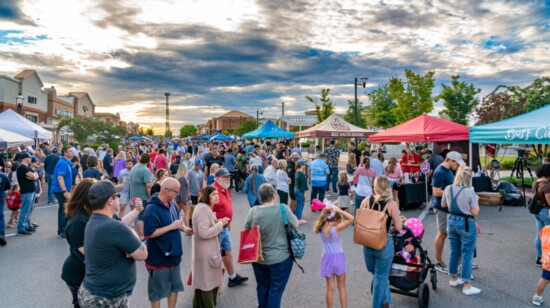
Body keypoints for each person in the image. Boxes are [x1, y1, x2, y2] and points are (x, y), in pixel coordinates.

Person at [79, 180, 148, 307]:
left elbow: (120, 225)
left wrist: (137, 210)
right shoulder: (114, 228)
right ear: (110, 201)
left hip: (95, 293)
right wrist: (130, 235)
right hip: (108, 298)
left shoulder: (95, 221)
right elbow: (142, 254)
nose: (119, 198)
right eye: (117, 196)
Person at [244, 184, 297, 307]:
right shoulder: (283, 209)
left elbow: (247, 230)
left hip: (258, 257)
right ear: (274, 195)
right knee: (276, 290)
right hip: (281, 257)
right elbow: (295, 224)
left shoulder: (254, 211)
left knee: (262, 287)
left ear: (260, 197)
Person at [143, 177, 191, 308]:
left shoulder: (172, 204)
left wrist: (185, 228)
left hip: (174, 256)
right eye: (176, 192)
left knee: (174, 288)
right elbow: (148, 233)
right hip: (158, 258)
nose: (177, 195)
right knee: (156, 293)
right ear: (166, 190)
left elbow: (175, 223)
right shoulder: (151, 208)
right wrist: (172, 227)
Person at [360, 176, 403, 308]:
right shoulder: (391, 204)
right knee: (381, 276)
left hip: (367, 241)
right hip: (383, 243)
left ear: (376, 187)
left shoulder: (366, 200)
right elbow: (399, 228)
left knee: (376, 274)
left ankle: (388, 302)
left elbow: (360, 219)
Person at [441, 166, 481, 296]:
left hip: (451, 220)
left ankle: (453, 278)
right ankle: (467, 285)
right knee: (467, 254)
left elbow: (443, 205)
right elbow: (475, 212)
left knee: (454, 251)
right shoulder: (470, 192)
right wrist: (477, 200)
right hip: (466, 223)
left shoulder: (448, 188)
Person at [192, 186, 228, 308]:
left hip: (206, 251)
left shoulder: (204, 208)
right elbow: (204, 233)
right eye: (213, 194)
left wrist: (218, 222)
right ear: (207, 196)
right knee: (207, 284)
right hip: (206, 252)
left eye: (217, 194)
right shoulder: (203, 209)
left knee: (204, 284)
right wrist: (220, 224)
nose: (217, 196)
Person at [211, 168, 248, 287]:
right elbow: (207, 211)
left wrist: (228, 222)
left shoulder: (224, 188)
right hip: (217, 229)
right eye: (224, 177)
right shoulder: (213, 190)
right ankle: (210, 284)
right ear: (216, 178)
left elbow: (225, 207)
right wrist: (218, 224)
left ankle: (232, 277)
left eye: (228, 177)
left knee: (228, 252)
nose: (227, 179)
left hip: (224, 227)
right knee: (215, 256)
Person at [61, 179, 94, 308]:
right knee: (81, 304)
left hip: (84, 271)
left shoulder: (87, 214)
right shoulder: (77, 221)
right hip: (77, 273)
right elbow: (88, 252)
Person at [314, 205, 354, 308]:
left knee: (330, 288)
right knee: (341, 287)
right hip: (338, 258)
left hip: (327, 258)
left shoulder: (321, 228)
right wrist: (340, 210)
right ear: (336, 220)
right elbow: (351, 218)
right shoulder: (336, 228)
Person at [432, 151, 465, 274]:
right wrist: (454, 191)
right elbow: (436, 192)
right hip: (441, 207)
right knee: (442, 234)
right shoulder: (440, 172)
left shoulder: (447, 170)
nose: (457, 166)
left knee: (446, 234)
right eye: (456, 163)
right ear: (450, 160)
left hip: (447, 207)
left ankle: (459, 261)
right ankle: (438, 261)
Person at [129, 153, 154, 240]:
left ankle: (137, 235)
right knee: (141, 216)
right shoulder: (145, 170)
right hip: (142, 197)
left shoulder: (135, 167)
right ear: (149, 161)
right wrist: (151, 198)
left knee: (137, 214)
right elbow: (149, 186)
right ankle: (141, 235)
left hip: (134, 195)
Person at [16, 152, 39, 236]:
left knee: (30, 209)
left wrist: (34, 176)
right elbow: (33, 176)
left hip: (31, 190)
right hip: (26, 191)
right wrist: (33, 176)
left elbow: (36, 175)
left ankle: (27, 224)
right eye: (29, 157)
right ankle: (21, 228)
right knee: (25, 210)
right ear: (25, 158)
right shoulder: (22, 167)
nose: (31, 159)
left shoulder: (27, 167)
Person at [533, 164, 550, 267]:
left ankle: (539, 257)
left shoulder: (536, 183)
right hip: (546, 212)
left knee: (539, 234)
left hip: (537, 211)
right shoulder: (547, 186)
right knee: (547, 236)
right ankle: (547, 259)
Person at [186, 160, 204, 228]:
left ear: (200, 165)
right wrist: (188, 192)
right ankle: (191, 222)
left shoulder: (201, 173)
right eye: (195, 165)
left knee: (197, 208)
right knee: (192, 208)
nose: (196, 166)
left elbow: (201, 184)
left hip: (198, 193)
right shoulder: (190, 172)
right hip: (191, 193)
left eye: (197, 165)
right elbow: (188, 183)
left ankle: (194, 221)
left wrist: (202, 193)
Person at [0, 171, 11, 246]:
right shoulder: (3, 176)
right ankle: (1, 234)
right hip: (0, 195)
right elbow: (8, 186)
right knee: (0, 216)